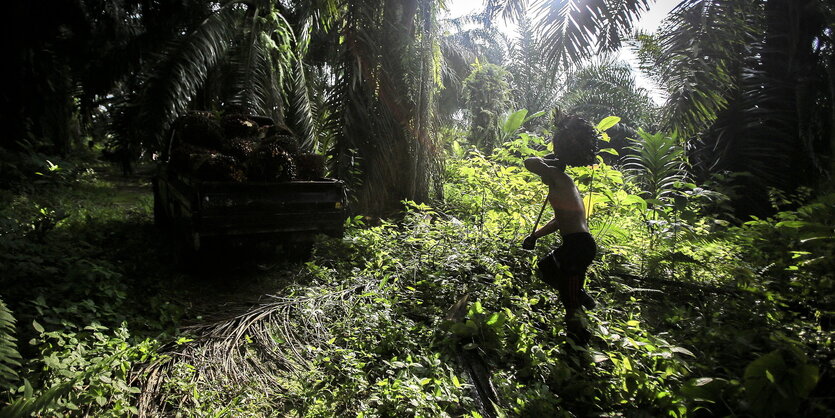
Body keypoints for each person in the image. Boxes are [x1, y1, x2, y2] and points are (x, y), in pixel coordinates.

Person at [522, 113, 598, 345]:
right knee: (546, 268)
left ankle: (579, 340)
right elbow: (558, 222)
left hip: (578, 246)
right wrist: (535, 235)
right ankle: (578, 293)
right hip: (575, 244)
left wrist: (551, 162)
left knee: (569, 300)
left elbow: (530, 162)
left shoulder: (558, 177)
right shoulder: (566, 186)